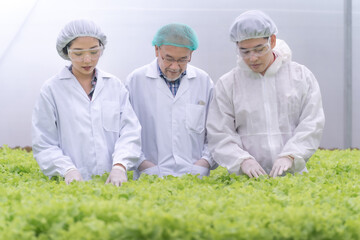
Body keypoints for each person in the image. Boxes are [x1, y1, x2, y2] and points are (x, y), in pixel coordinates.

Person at [207, 10, 325, 178]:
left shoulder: (300, 76)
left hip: (293, 177)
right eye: (245, 52)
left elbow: (312, 122)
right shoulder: (229, 84)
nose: (253, 58)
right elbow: (219, 131)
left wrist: (290, 155)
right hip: (246, 178)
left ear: (273, 41)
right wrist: (242, 161)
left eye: (259, 49)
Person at [32, 19, 142, 186]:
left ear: (101, 49)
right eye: (78, 53)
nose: (87, 60)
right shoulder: (52, 90)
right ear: (66, 51)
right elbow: (44, 141)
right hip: (72, 186)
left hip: (114, 184)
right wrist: (67, 169)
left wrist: (120, 165)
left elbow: (130, 131)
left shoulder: (114, 85)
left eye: (94, 51)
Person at [126, 23, 216, 179]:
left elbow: (216, 130)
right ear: (156, 50)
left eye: (182, 59)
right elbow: (124, 131)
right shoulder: (136, 80)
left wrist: (205, 162)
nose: (175, 67)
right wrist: (142, 163)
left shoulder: (203, 81)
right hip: (149, 175)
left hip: (196, 177)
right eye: (168, 59)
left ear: (191, 54)